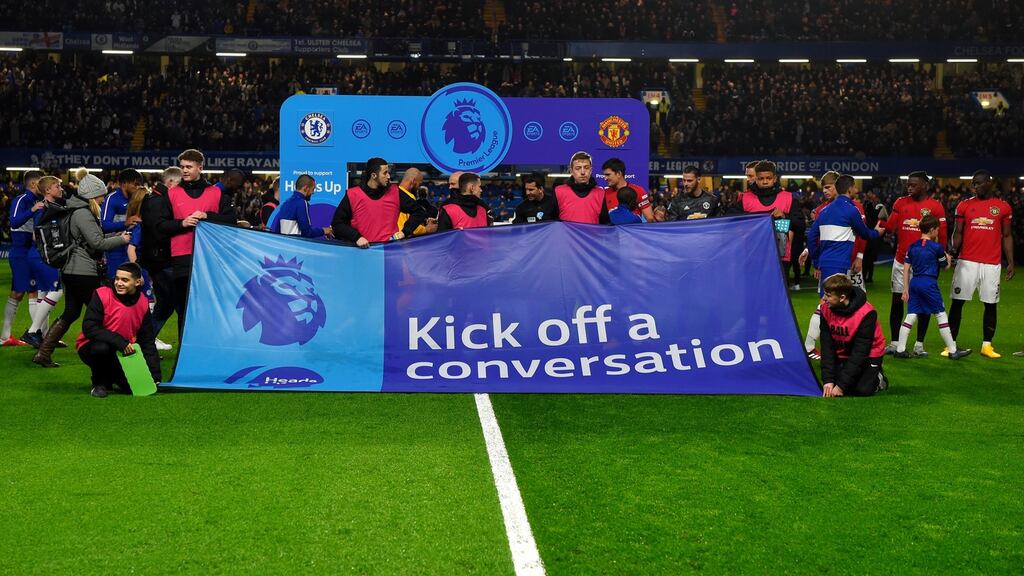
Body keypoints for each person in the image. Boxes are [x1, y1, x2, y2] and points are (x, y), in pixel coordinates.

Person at [33, 170, 131, 368]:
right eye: (101, 195)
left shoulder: (76, 210)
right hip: (83, 273)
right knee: (103, 313)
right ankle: (110, 351)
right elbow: (97, 242)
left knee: (71, 312)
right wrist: (122, 239)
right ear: (93, 196)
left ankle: (44, 353)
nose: (104, 199)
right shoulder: (83, 213)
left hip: (72, 271)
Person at [154, 149, 238, 342]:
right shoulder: (172, 194)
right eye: (182, 166)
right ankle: (185, 353)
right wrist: (182, 223)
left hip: (211, 258)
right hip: (181, 258)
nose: (184, 170)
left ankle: (209, 346)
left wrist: (207, 216)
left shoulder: (216, 193)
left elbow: (232, 221)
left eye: (189, 167)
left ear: (200, 167)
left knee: (210, 306)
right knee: (184, 309)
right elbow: (159, 225)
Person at [802, 174, 882, 358]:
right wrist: (877, 232)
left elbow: (812, 237)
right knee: (826, 303)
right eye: (855, 187)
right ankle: (809, 345)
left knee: (836, 302)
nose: (856, 190)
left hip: (828, 262)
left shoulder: (824, 211)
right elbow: (865, 234)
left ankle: (841, 343)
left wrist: (816, 261)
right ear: (850, 188)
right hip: (839, 264)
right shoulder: (851, 210)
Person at [945, 170, 1014, 358]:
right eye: (973, 184)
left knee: (990, 304)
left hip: (992, 264)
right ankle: (950, 345)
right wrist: (952, 252)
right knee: (957, 303)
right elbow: (957, 233)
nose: (974, 187)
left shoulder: (1003, 207)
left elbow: (1007, 236)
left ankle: (987, 345)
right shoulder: (964, 206)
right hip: (967, 262)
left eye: (977, 183)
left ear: (989, 183)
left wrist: (1010, 262)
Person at [880, 171, 947, 356]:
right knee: (896, 301)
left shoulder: (935, 206)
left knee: (924, 303)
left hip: (925, 266)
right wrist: (879, 221)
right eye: (908, 184)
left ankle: (919, 344)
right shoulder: (900, 202)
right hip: (901, 261)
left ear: (925, 185)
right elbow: (891, 227)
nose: (909, 187)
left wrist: (942, 254)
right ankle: (894, 343)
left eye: (913, 184)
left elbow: (941, 235)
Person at [76, 262, 161, 398]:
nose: (118, 283)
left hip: (122, 351)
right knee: (101, 348)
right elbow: (89, 328)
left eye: (125, 280)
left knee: (129, 388)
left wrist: (155, 375)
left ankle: (110, 377)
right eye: (117, 278)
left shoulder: (143, 303)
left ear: (138, 282)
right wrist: (119, 341)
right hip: (91, 347)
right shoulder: (101, 294)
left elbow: (147, 341)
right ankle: (99, 383)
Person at [893, 215, 971, 360]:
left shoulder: (912, 246)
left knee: (910, 315)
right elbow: (945, 266)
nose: (938, 232)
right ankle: (953, 350)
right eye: (937, 229)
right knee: (941, 314)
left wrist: (905, 288)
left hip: (914, 283)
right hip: (929, 283)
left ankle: (900, 349)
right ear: (931, 230)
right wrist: (947, 259)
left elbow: (906, 267)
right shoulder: (937, 248)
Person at [331, 157, 428, 247]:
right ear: (374, 175)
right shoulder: (353, 195)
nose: (389, 176)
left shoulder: (396, 192)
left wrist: (404, 232)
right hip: (362, 254)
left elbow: (419, 212)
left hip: (390, 253)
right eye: (385, 173)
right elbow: (337, 224)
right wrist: (357, 237)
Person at [819, 274, 889, 398]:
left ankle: (878, 377)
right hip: (843, 350)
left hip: (869, 353)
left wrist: (841, 386)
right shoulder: (825, 309)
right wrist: (828, 380)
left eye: (828, 296)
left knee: (862, 390)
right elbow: (826, 346)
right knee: (835, 384)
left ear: (842, 297)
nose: (824, 299)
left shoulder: (867, 313)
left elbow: (860, 352)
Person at [21, 176, 66, 347]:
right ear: (48, 190)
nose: (60, 188)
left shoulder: (48, 207)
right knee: (57, 290)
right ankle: (33, 331)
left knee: (42, 294)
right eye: (57, 185)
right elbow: (36, 235)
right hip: (43, 256)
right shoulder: (45, 209)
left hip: (37, 255)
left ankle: (45, 336)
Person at [732, 160, 804, 266]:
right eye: (761, 178)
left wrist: (784, 216)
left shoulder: (788, 198)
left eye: (768, 178)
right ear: (756, 178)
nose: (765, 181)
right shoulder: (745, 199)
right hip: (752, 254)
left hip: (780, 257)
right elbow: (731, 222)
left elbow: (801, 225)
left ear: (774, 178)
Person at [3, 170, 43, 346]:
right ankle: (37, 335)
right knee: (32, 292)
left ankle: (5, 336)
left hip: (28, 252)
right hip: (21, 253)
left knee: (17, 294)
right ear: (33, 184)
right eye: (42, 182)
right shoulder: (21, 200)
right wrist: (33, 210)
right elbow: (13, 222)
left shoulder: (37, 201)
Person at [138, 168, 176, 350]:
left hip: (158, 259)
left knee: (166, 303)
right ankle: (145, 340)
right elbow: (158, 231)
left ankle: (146, 340)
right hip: (160, 259)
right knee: (172, 302)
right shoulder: (159, 201)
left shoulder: (155, 198)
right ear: (171, 183)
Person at [100, 170, 139, 280]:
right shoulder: (112, 199)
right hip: (115, 250)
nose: (137, 187)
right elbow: (104, 225)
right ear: (124, 183)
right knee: (116, 282)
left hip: (133, 248)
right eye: (135, 184)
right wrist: (125, 223)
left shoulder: (136, 199)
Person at [553, 152, 610, 224]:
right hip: (566, 235)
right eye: (578, 168)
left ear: (591, 170)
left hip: (592, 235)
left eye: (586, 168)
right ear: (571, 171)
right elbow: (552, 223)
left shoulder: (600, 193)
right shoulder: (559, 191)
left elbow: (605, 224)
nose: (583, 172)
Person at [272, 174, 333, 239]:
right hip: (297, 246)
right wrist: (324, 230)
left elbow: (277, 230)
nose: (313, 192)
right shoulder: (302, 203)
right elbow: (307, 233)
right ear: (306, 188)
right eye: (313, 189)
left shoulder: (285, 203)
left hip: (285, 246)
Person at [394, 168, 436, 236]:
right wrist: (427, 229)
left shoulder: (394, 193)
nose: (418, 187)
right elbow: (408, 225)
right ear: (413, 181)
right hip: (402, 241)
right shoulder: (408, 197)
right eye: (419, 184)